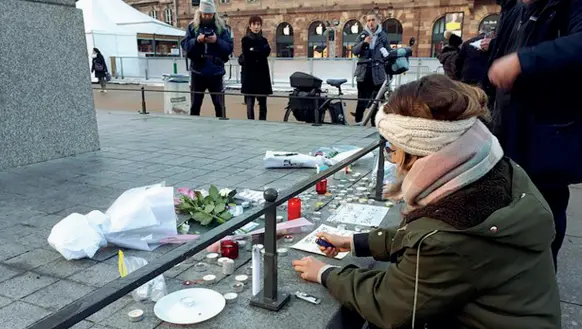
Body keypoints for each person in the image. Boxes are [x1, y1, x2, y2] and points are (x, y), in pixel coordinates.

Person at [292, 74, 561, 329]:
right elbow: (423, 237)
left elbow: (390, 304)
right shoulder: (488, 168)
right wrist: (355, 242)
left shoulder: (451, 227)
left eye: (392, 148)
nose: (393, 161)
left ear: (421, 152)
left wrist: (325, 274)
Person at [486, 0, 582, 270]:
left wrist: (524, 60)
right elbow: (497, 59)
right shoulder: (515, 10)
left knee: (544, 210)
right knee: (505, 205)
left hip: (548, 136)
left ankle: (540, 278)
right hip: (507, 129)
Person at [181, 0, 233, 117]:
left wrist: (217, 41)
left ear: (214, 14)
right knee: (195, 105)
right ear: (200, 13)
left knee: (219, 105)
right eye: (204, 14)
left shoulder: (221, 28)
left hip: (216, 72)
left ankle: (221, 128)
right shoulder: (193, 27)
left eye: (209, 14)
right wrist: (197, 40)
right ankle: (194, 128)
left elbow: (229, 47)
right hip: (198, 70)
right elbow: (185, 45)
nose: (207, 16)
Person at [351, 13, 390, 125]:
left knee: (376, 101)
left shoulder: (383, 36)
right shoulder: (362, 35)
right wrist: (364, 43)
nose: (371, 23)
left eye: (373, 20)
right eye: (368, 20)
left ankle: (374, 124)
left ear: (377, 21)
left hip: (378, 73)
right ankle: (358, 122)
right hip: (364, 72)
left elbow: (388, 53)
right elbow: (354, 51)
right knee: (361, 100)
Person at [240, 16, 273, 120]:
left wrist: (255, 50)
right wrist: (259, 51)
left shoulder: (264, 40)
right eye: (254, 24)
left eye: (258, 24)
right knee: (250, 103)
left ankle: (263, 122)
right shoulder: (245, 40)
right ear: (250, 26)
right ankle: (251, 123)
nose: (256, 27)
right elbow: (248, 54)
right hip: (250, 75)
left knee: (263, 103)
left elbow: (266, 52)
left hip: (262, 75)